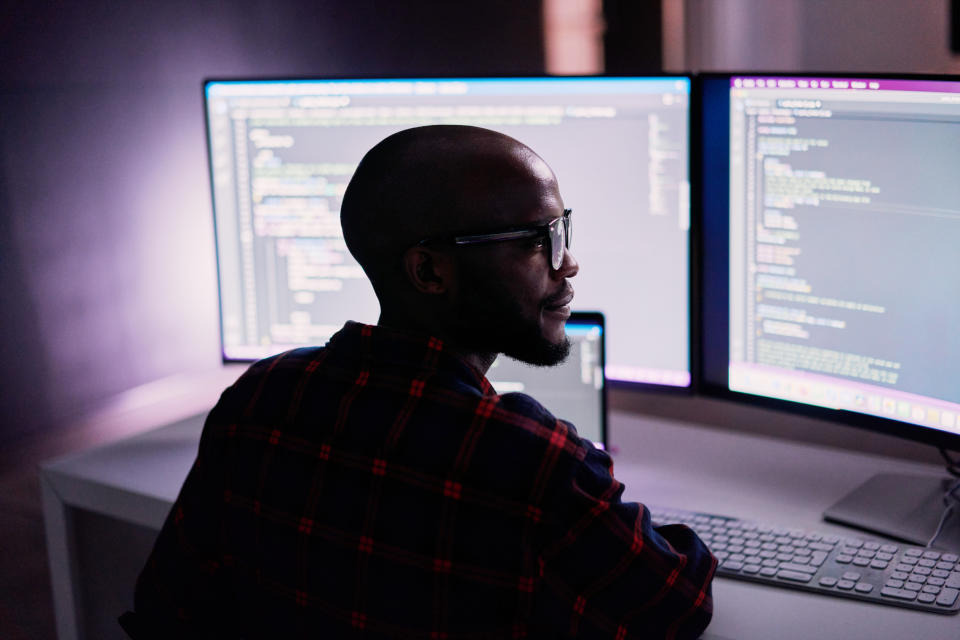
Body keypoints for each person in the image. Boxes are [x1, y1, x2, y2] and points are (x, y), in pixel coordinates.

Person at [130, 125, 715, 639]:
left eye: (563, 229)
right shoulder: (530, 461)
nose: (567, 263)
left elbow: (168, 609)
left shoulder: (259, 398)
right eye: (538, 241)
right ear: (430, 271)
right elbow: (675, 603)